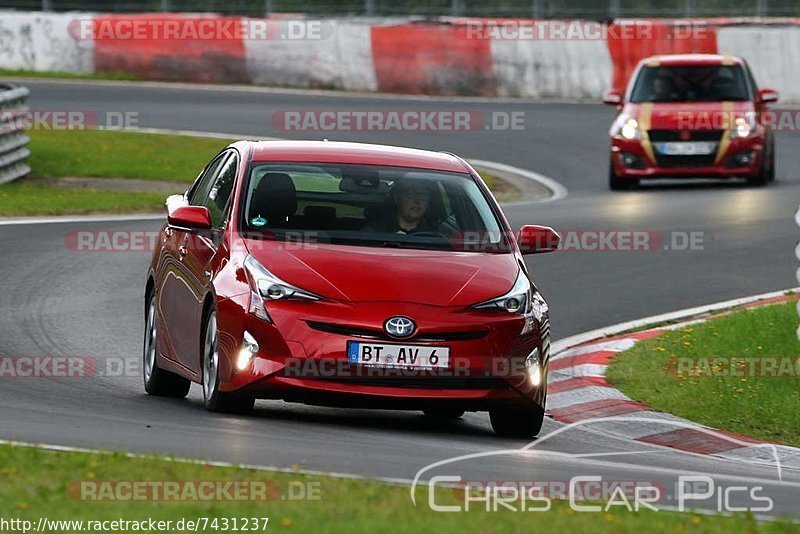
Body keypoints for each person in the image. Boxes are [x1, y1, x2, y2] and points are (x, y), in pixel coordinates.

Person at [365, 177, 441, 234]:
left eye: (423, 196)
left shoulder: (437, 235)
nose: (417, 201)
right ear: (396, 198)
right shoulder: (375, 230)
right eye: (410, 195)